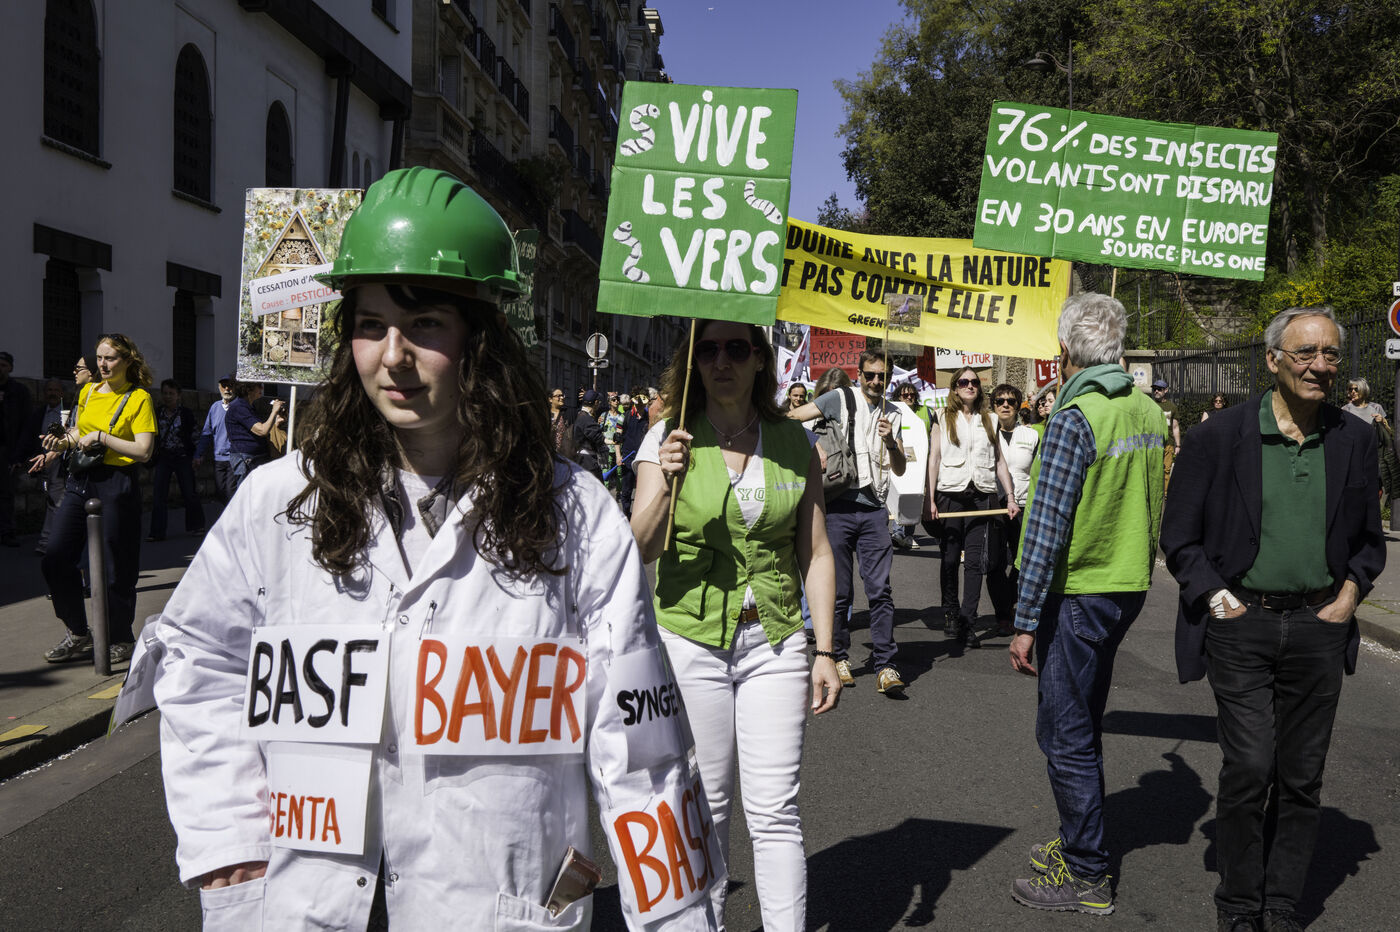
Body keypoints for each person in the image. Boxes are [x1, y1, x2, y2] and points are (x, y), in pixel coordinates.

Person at [150, 167, 719, 930]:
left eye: (424, 325)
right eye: (370, 324)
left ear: (479, 338)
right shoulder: (278, 501)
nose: (393, 355)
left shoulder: (576, 514)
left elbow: (643, 744)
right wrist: (231, 842)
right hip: (309, 900)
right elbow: (198, 658)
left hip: (494, 903)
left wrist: (682, 918)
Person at [1160, 305, 1385, 932]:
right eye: (1305, 352)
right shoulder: (1218, 437)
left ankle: (1282, 902)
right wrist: (1217, 599)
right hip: (1242, 626)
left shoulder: (1354, 437)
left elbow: (1369, 541)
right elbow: (1179, 537)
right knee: (1250, 766)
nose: (1319, 366)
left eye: (1330, 354)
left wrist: (1349, 597)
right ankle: (1238, 903)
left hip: (1319, 626)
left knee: (1302, 776)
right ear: (1272, 360)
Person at [632, 319, 839, 931]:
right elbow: (638, 547)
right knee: (708, 804)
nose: (721, 361)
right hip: (690, 641)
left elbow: (816, 553)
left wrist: (825, 650)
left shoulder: (794, 443)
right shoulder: (666, 438)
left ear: (759, 360)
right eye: (708, 350)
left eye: (737, 349)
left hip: (774, 640)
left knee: (775, 812)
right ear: (694, 362)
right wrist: (666, 483)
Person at [1007, 293, 1167, 916]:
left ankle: (1086, 874)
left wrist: (1024, 620)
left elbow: (1046, 528)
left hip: (1078, 590)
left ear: (1064, 349)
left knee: (1064, 733)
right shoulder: (1146, 409)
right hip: (1126, 585)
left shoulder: (1076, 417)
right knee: (1083, 722)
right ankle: (1080, 842)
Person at [787, 351, 906, 694]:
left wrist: (890, 442)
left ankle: (886, 665)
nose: (876, 382)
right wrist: (813, 443)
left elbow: (899, 468)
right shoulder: (840, 397)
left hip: (874, 511)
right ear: (859, 374)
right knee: (839, 591)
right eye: (870, 375)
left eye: (882, 376)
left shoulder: (894, 413)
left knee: (880, 590)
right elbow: (791, 417)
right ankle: (839, 657)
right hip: (837, 507)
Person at [39, 334, 157, 665]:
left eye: (110, 358)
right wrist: (63, 442)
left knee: (115, 566)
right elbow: (80, 431)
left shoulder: (139, 398)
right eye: (99, 358)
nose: (102, 364)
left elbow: (144, 450)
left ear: (127, 361)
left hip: (117, 482)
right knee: (55, 556)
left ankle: (120, 637)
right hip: (81, 481)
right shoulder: (89, 391)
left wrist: (103, 437)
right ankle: (78, 631)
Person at [926, 367, 1019, 649]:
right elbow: (934, 458)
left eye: (974, 382)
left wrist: (1010, 496)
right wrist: (930, 498)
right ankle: (951, 611)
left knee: (976, 562)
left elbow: (1000, 461)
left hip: (982, 495)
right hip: (950, 493)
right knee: (950, 558)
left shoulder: (990, 419)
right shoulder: (942, 416)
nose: (970, 386)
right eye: (964, 382)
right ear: (955, 387)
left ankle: (968, 621)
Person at [989, 382, 1039, 638]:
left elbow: (1038, 472)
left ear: (1019, 406)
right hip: (993, 506)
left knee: (1023, 561)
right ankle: (1003, 615)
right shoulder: (985, 434)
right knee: (994, 562)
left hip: (1023, 505)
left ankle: (1009, 601)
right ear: (993, 406)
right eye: (1000, 401)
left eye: (1011, 401)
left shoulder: (1031, 435)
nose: (1005, 405)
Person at [147, 379, 206, 541]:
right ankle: (157, 532)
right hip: (164, 457)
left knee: (189, 492)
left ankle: (197, 526)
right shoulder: (157, 413)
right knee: (159, 494)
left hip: (183, 456)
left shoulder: (185, 414)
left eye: (171, 393)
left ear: (178, 395)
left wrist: (198, 455)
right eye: (165, 393)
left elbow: (195, 434)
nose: (167, 396)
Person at [24, 378, 68, 554]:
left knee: (56, 501)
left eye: (56, 390)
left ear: (62, 393)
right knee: (51, 500)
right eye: (49, 390)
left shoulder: (67, 413)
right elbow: (30, 435)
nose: (52, 393)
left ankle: (47, 541)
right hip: (43, 463)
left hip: (59, 462)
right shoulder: (40, 413)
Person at [891, 380, 933, 550]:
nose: (909, 397)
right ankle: (898, 532)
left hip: (920, 462)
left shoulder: (926, 411)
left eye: (912, 394)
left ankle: (907, 535)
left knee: (915, 497)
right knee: (900, 495)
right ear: (898, 397)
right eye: (905, 395)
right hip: (899, 459)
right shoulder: (892, 410)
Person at [224, 380, 285, 494]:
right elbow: (262, 430)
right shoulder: (239, 407)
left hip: (254, 458)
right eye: (259, 386)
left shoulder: (248, 407)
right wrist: (273, 411)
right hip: (246, 461)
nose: (262, 388)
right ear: (248, 389)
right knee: (245, 496)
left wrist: (276, 421)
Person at [0, 349, 33, 547]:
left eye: (3, 365)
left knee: (6, 493)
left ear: (10, 368)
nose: (0, 369)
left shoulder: (19, 392)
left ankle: (7, 532)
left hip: (7, 450)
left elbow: (26, 424)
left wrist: (19, 455)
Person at [194, 378, 235, 502]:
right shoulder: (215, 407)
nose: (227, 389)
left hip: (235, 458)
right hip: (219, 459)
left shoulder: (238, 406)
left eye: (230, 386)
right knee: (220, 492)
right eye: (224, 386)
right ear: (219, 388)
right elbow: (207, 432)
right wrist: (198, 454)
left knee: (231, 493)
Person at [616, 384, 650, 516]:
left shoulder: (650, 417)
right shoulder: (624, 416)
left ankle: (640, 516)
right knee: (626, 490)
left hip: (644, 459)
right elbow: (617, 438)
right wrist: (618, 456)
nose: (640, 403)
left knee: (644, 490)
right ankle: (625, 515)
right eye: (638, 400)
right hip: (627, 458)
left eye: (643, 400)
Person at [1150, 378, 1182, 477]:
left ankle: (1165, 488)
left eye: (1159, 389)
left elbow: (1175, 427)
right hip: (1152, 442)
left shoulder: (1172, 407)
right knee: (1152, 469)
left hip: (1168, 443)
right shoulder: (1149, 404)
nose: (1156, 391)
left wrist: (1178, 445)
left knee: (1166, 470)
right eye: (1154, 389)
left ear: (1166, 390)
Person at [572, 389, 607, 480]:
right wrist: (613, 441)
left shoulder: (581, 415)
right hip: (588, 463)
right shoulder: (586, 419)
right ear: (596, 402)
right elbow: (598, 438)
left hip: (582, 461)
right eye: (599, 402)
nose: (599, 404)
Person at [548, 386, 571, 452]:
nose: (562, 398)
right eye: (558, 396)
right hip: (549, 452)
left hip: (563, 453)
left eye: (562, 395)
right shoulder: (546, 414)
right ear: (550, 399)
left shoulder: (567, 413)